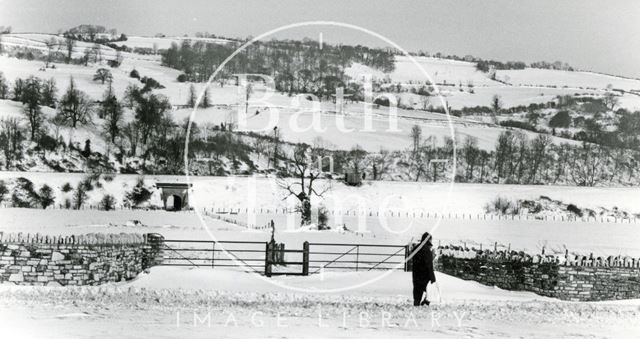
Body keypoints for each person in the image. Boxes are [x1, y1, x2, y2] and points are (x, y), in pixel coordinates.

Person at [412, 232, 436, 306]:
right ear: (428, 240)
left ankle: (417, 303)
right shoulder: (427, 250)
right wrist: (432, 276)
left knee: (417, 289)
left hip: (416, 273)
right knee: (428, 289)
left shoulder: (416, 247)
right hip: (424, 274)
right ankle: (425, 302)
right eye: (431, 239)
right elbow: (429, 264)